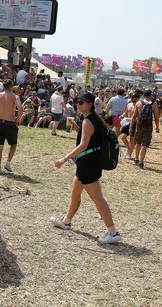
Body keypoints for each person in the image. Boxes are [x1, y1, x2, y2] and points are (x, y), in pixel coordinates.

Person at [50, 92, 122, 244]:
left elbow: (83, 145)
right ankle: (67, 221)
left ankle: (113, 232)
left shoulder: (88, 121)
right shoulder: (93, 119)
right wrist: (77, 129)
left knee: (97, 198)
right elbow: (91, 140)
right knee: (75, 192)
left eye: (81, 102)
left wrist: (64, 159)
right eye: (76, 101)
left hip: (88, 164)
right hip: (89, 162)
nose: (78, 104)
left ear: (90, 104)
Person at [0, 79, 22, 174]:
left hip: (0, 123)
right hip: (10, 123)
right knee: (13, 144)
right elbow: (20, 108)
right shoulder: (14, 96)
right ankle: (8, 162)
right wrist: (18, 119)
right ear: (12, 87)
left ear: (3, 86)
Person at [130, 89, 160, 169]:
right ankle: (141, 162)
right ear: (150, 95)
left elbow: (134, 116)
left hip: (139, 124)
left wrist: (131, 127)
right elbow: (157, 117)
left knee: (138, 142)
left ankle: (136, 158)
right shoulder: (154, 104)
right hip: (148, 125)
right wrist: (157, 127)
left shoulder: (139, 103)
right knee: (145, 145)